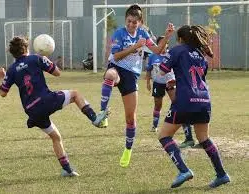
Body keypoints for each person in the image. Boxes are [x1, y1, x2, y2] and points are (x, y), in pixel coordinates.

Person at [0, 36, 108, 177]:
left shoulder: (12, 70)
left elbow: (2, 93)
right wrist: (47, 60)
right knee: (75, 94)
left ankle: (67, 169)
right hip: (46, 101)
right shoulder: (36, 58)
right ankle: (94, 118)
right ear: (26, 48)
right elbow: (57, 72)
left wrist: (3, 77)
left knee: (56, 137)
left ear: (12, 53)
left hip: (32, 111)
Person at [97, 4, 175, 168]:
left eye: (134, 22)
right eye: (129, 21)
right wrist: (134, 47)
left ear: (140, 22)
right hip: (117, 68)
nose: (131, 24)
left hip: (131, 75)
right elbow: (116, 57)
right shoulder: (119, 33)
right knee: (110, 75)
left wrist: (167, 37)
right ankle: (103, 113)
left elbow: (158, 51)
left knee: (130, 118)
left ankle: (128, 149)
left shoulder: (143, 34)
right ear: (126, 20)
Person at [158, 25, 230, 188]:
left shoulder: (177, 50)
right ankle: (222, 174)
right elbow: (197, 78)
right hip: (204, 101)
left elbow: (162, 72)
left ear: (181, 39)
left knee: (164, 136)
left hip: (185, 101)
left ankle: (183, 170)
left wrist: (170, 82)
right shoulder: (200, 55)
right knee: (204, 138)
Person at [146, 36, 195, 146]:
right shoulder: (153, 56)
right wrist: (148, 82)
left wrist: (175, 80)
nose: (164, 45)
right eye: (162, 43)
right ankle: (154, 125)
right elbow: (149, 70)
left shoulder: (172, 54)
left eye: (166, 43)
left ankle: (188, 135)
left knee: (178, 104)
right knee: (158, 105)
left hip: (170, 83)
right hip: (158, 83)